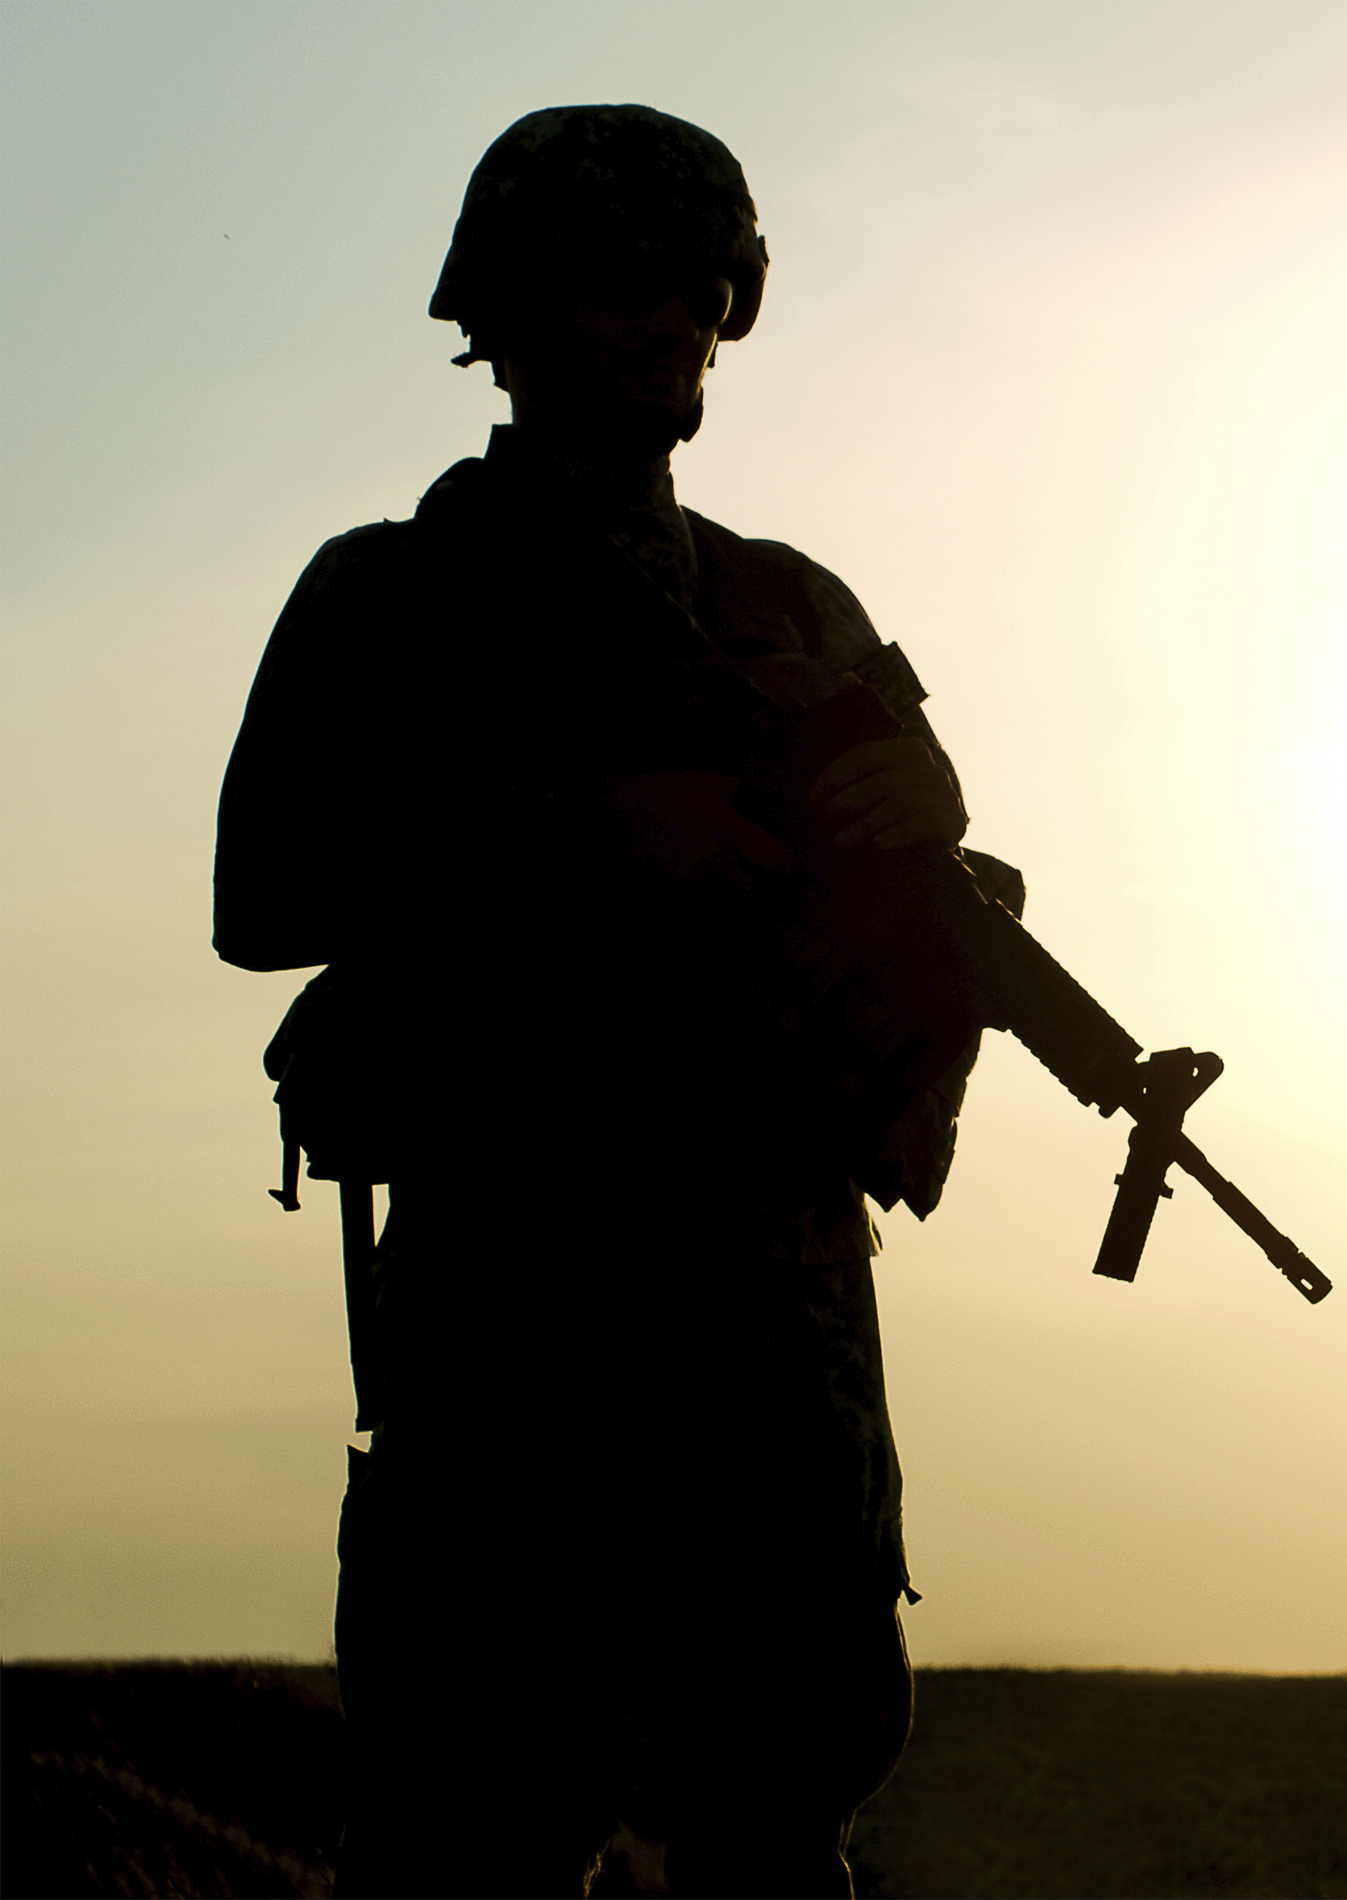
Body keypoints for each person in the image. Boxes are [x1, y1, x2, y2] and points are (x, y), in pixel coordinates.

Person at [214, 104, 981, 1897]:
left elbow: (920, 916)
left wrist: (921, 822)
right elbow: (267, 896)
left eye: (696, 284)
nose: (663, 321)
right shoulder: (395, 594)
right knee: (473, 1828)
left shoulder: (790, 607)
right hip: (520, 1321)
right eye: (612, 283)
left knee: (780, 1826)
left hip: (779, 1339)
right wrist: (583, 827)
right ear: (509, 312)